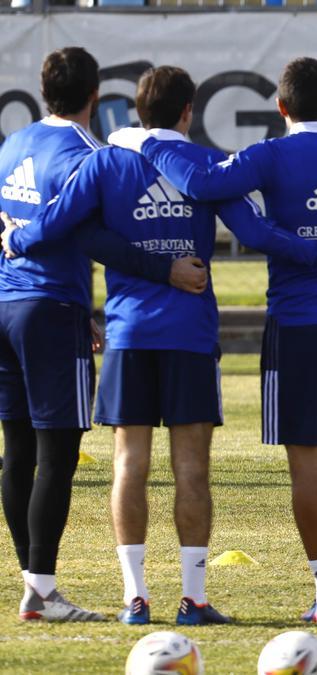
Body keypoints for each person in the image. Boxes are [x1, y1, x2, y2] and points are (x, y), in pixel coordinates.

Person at [4, 64, 317, 625]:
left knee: (129, 464)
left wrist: (15, 239)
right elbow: (258, 235)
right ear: (189, 112)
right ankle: (193, 598)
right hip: (189, 335)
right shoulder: (207, 165)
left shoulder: (107, 160)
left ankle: (133, 598)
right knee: (192, 467)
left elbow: (60, 223)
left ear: (133, 111)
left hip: (127, 334)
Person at [109, 57, 317, 623]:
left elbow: (203, 183)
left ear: (281, 108)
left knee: (307, 463)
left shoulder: (271, 154)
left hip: (296, 326)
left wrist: (147, 142)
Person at [0, 47, 208, 623]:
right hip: (49, 307)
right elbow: (92, 237)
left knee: (15, 450)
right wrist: (165, 268)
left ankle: (32, 581)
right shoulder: (87, 151)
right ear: (97, 96)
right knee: (56, 452)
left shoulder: (12, 145)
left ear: (43, 92)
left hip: (6, 303)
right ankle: (41, 589)